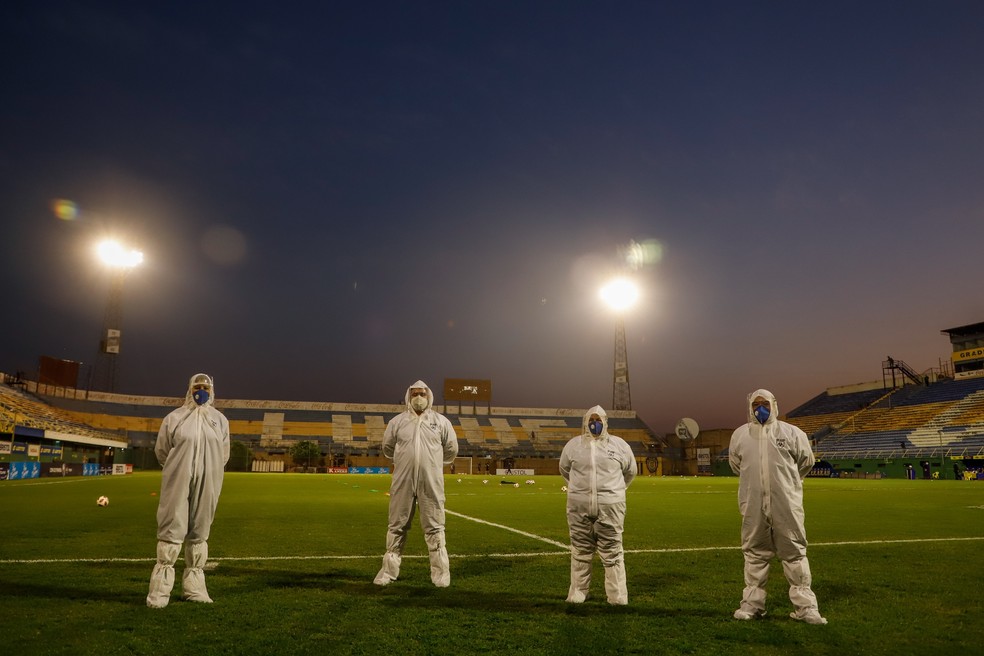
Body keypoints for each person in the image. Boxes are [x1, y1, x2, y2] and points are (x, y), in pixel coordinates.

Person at [729, 389, 827, 625]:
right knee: (754, 553)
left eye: (764, 403)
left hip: (786, 504)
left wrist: (788, 484)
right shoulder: (740, 435)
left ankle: (806, 608)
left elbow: (806, 462)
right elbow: (736, 465)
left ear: (774, 405)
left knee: (794, 552)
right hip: (753, 504)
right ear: (749, 407)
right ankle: (752, 605)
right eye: (755, 404)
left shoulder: (792, 432)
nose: (760, 408)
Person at [147, 373, 230, 609]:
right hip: (178, 480)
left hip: (209, 480)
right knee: (171, 528)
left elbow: (224, 454)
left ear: (212, 391)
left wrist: (208, 470)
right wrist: (178, 469)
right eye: (197, 387)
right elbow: (162, 451)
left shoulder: (220, 420)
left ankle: (194, 589)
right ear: (189, 389)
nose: (201, 391)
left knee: (199, 529)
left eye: (205, 387)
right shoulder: (174, 418)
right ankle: (160, 593)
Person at [374, 380, 459, 587]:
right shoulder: (397, 422)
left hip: (431, 483)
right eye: (414, 394)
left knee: (435, 527)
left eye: (422, 394)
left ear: (429, 396)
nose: (418, 398)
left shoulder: (441, 422)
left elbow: (451, 450)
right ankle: (388, 572)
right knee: (396, 526)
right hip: (402, 481)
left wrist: (432, 465)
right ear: (408, 397)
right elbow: (387, 448)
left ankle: (441, 575)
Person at [559, 405, 636, 605]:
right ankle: (578, 593)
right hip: (579, 508)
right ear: (585, 422)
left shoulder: (619, 445)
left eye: (598, 420)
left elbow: (630, 472)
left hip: (611, 507)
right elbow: (565, 470)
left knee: (613, 552)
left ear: (605, 422)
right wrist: (580, 491)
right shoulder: (573, 445)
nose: (595, 423)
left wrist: (614, 491)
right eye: (591, 420)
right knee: (580, 550)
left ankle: (617, 597)